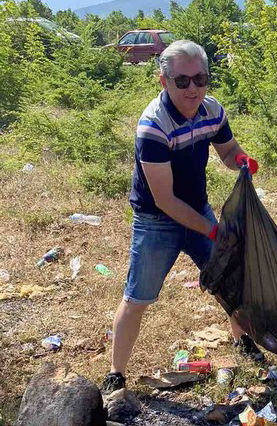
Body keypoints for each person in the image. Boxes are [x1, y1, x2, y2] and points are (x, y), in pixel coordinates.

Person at [102, 39, 264, 394]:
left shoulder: (211, 110)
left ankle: (243, 342)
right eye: (182, 81)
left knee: (231, 278)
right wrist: (212, 231)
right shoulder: (153, 127)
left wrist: (240, 161)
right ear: (164, 81)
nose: (193, 88)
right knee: (138, 297)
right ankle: (116, 373)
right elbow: (165, 200)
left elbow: (228, 149)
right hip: (156, 219)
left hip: (197, 207)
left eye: (200, 79)